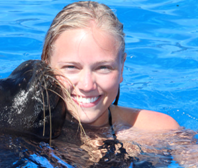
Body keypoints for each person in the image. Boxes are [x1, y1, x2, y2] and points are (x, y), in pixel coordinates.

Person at [41, 1, 180, 139]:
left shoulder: (158, 132)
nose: (87, 85)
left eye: (103, 68)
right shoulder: (28, 132)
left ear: (122, 69)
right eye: (71, 67)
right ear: (46, 68)